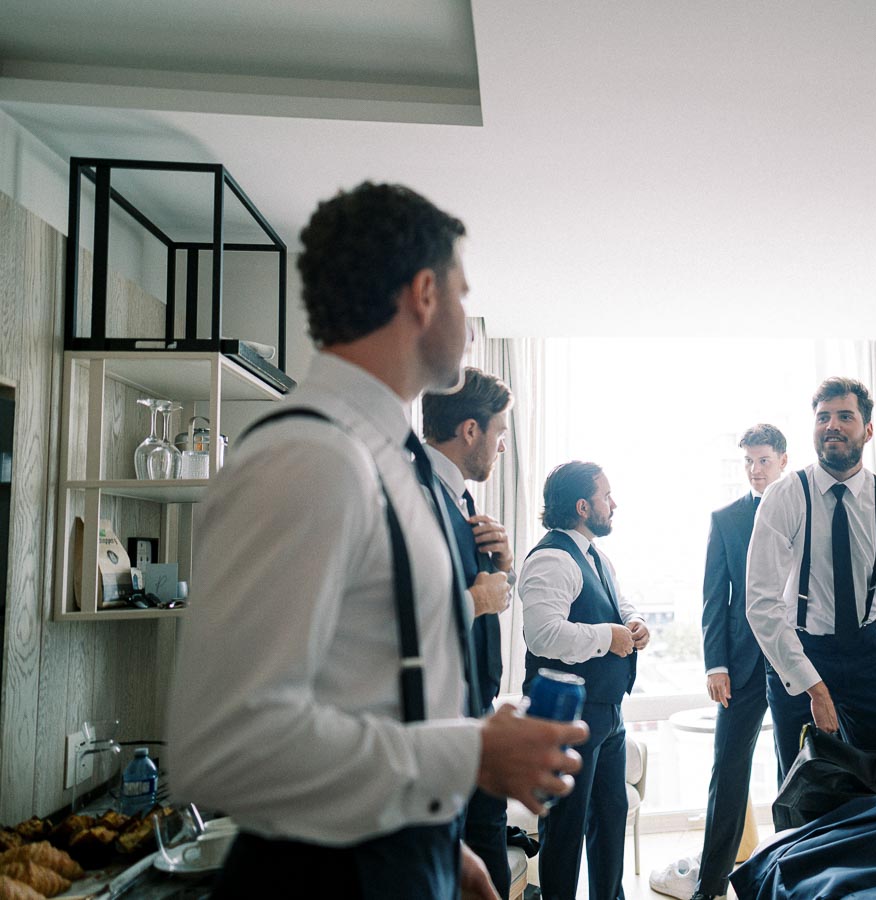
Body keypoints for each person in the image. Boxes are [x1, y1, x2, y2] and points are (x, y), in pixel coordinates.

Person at [167, 182, 585, 900]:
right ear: (424, 294)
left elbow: (372, 687)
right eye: (462, 292)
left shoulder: (393, 462)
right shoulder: (310, 459)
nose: (470, 323)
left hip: (396, 858)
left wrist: (432, 843)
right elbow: (226, 750)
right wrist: (471, 752)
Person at [747, 377, 876, 779]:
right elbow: (762, 602)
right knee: (804, 789)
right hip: (798, 649)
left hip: (867, 652)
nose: (831, 425)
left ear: (868, 430)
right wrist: (811, 685)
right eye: (823, 417)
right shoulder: (784, 496)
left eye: (844, 416)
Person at [519, 461, 651, 900]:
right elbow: (542, 634)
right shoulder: (551, 559)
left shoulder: (595, 555)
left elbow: (617, 601)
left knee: (610, 814)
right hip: (568, 713)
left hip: (608, 711)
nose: (614, 504)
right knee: (566, 823)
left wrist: (632, 621)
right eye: (606, 496)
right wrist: (606, 637)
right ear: (582, 506)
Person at [422, 369, 517, 899]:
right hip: (442, 723)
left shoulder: (460, 502)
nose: (501, 447)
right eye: (498, 434)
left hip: (475, 713)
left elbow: (483, 590)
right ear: (470, 432)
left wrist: (502, 567)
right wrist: (479, 600)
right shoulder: (417, 493)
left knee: (490, 864)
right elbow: (403, 617)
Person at [691, 425, 789, 900]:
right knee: (728, 771)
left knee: (797, 770)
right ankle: (709, 887)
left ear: (783, 461)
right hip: (741, 666)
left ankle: (796, 878)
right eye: (748, 461)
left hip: (798, 662)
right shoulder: (726, 519)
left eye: (763, 460)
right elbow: (714, 598)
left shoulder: (805, 512)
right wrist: (716, 665)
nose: (754, 470)